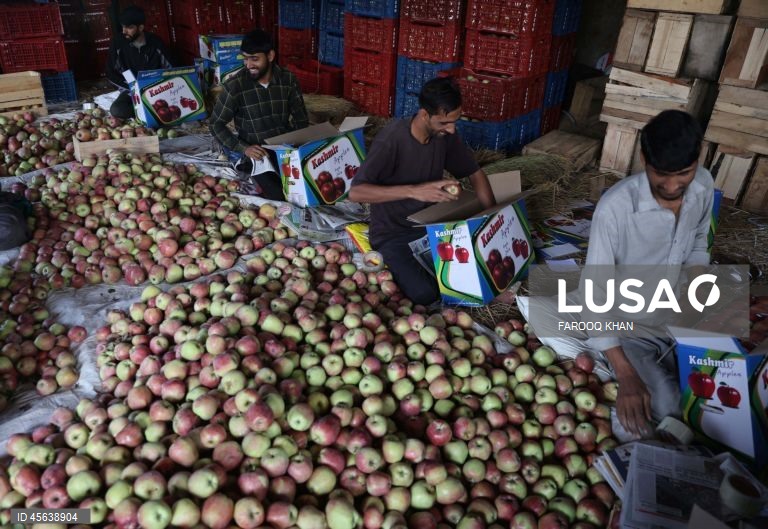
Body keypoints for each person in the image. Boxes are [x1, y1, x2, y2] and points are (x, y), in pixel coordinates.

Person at [520, 109, 715, 440]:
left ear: (699, 159)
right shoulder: (616, 209)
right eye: (660, 175)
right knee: (665, 410)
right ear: (643, 159)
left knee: (719, 401)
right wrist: (625, 374)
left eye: (683, 174)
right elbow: (596, 293)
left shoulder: (704, 186)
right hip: (628, 323)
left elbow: (698, 244)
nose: (671, 187)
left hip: (673, 314)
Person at [348, 77, 496, 305]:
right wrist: (414, 191)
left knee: (477, 274)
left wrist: (490, 220)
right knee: (424, 294)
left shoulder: (444, 136)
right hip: (392, 234)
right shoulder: (391, 140)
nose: (452, 128)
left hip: (430, 227)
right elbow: (356, 192)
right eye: (444, 123)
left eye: (455, 121)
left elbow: (475, 174)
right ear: (424, 115)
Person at [210, 29, 309, 201]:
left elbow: (301, 118)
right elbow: (215, 124)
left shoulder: (288, 80)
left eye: (254, 59)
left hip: (284, 151)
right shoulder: (235, 86)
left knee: (306, 189)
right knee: (278, 196)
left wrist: (296, 144)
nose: (248, 65)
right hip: (257, 156)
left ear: (270, 56)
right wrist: (244, 148)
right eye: (245, 58)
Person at [106, 6, 173, 119]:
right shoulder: (117, 43)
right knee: (117, 110)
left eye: (129, 28)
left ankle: (153, 112)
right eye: (123, 27)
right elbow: (110, 73)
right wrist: (131, 88)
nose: (124, 31)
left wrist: (159, 87)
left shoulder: (156, 43)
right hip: (131, 91)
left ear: (141, 27)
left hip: (157, 91)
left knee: (171, 105)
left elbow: (171, 69)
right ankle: (151, 113)